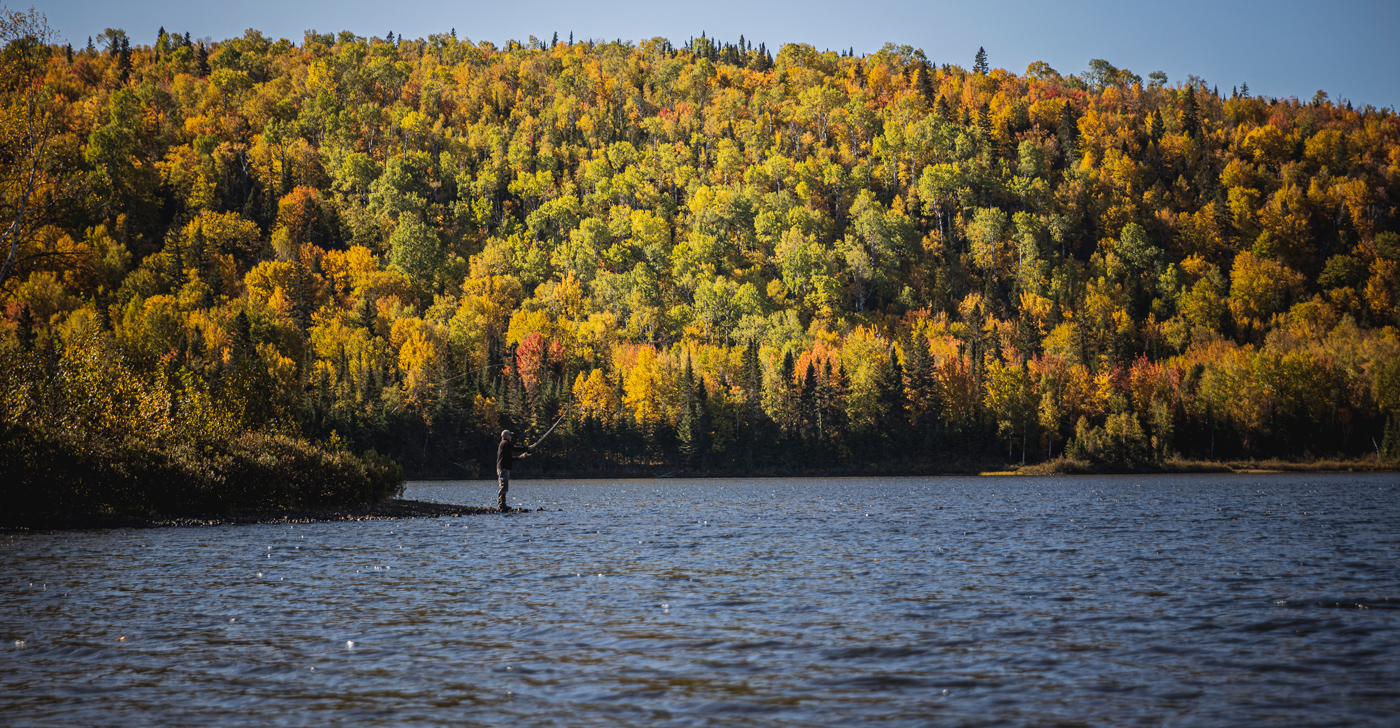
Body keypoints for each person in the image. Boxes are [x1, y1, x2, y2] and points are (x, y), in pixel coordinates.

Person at [495, 429, 532, 511]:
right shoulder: (505, 443)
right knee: (503, 486)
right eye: (509, 435)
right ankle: (501, 505)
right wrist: (526, 448)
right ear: (505, 436)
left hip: (504, 468)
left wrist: (519, 457)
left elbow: (509, 459)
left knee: (505, 487)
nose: (511, 436)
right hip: (503, 469)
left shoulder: (505, 444)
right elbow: (514, 448)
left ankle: (502, 504)